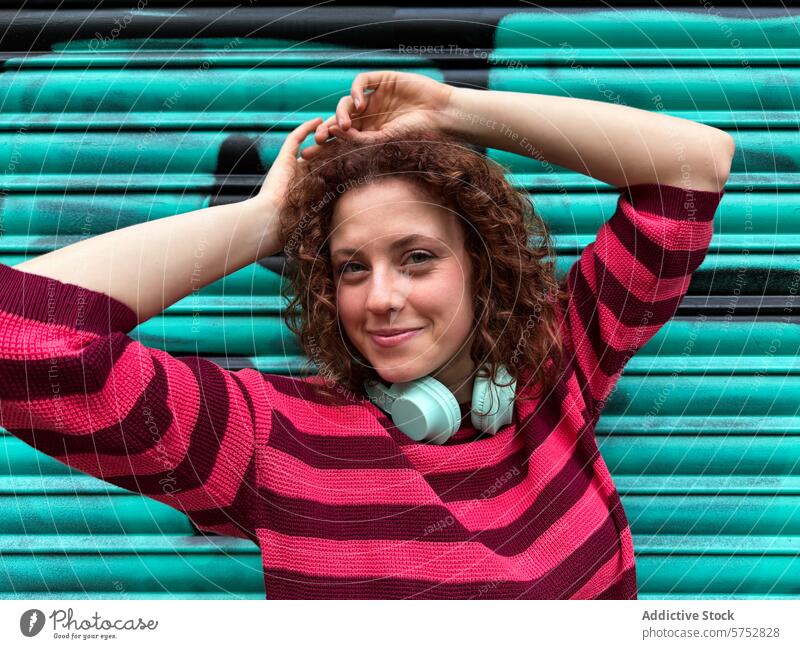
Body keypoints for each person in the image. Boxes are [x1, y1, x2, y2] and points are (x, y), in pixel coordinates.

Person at [0, 70, 735, 599]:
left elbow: (692, 169)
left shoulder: (558, 368)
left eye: (417, 258)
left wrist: (454, 108)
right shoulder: (268, 437)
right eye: (352, 267)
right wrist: (263, 223)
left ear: (481, 267)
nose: (381, 298)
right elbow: (18, 343)